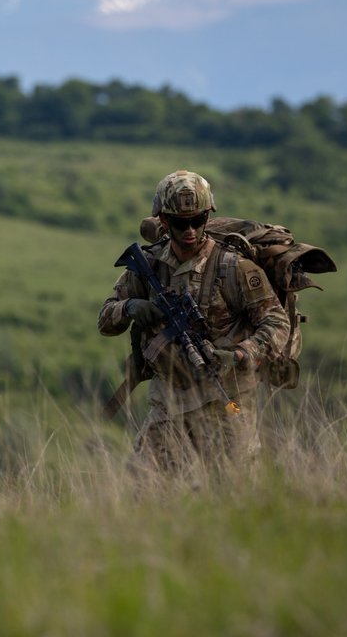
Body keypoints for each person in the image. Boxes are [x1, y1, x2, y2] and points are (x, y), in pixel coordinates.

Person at [98, 170, 291, 485]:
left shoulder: (233, 268)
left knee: (235, 492)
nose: (190, 230)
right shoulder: (148, 265)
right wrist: (131, 308)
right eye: (180, 223)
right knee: (144, 489)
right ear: (163, 221)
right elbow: (105, 320)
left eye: (199, 220)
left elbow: (276, 322)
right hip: (168, 402)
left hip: (225, 399)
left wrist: (241, 354)